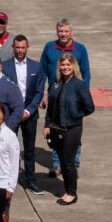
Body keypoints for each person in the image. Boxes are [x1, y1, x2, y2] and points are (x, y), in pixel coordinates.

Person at [41, 19, 91, 182]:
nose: (63, 34)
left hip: (73, 97)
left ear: (71, 32)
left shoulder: (80, 49)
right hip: (55, 95)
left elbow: (86, 74)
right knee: (56, 130)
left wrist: (83, 95)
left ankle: (73, 164)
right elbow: (42, 71)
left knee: (73, 130)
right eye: (60, 31)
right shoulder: (49, 47)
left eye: (66, 31)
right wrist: (43, 93)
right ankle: (57, 164)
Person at [45, 51, 95, 205]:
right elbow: (51, 107)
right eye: (62, 64)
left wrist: (74, 115)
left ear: (73, 67)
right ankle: (67, 189)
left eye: (68, 64)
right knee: (61, 159)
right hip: (56, 128)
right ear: (59, 66)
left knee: (68, 161)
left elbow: (89, 107)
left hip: (72, 129)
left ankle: (71, 193)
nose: (65, 67)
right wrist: (47, 125)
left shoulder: (78, 85)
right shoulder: (56, 83)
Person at [10, 34, 45, 191]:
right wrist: (16, 111)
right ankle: (9, 180)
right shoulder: (5, 66)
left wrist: (28, 111)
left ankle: (31, 180)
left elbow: (39, 92)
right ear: (13, 48)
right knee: (9, 148)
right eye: (17, 47)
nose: (20, 50)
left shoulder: (36, 67)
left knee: (29, 150)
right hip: (12, 114)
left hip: (29, 115)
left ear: (27, 48)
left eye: (23, 47)